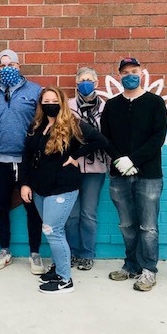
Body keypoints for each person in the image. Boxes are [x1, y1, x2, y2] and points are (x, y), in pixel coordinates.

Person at [20, 87, 107, 294]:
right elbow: (26, 156)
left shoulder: (72, 124)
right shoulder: (36, 125)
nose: (50, 104)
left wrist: (76, 155)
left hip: (62, 188)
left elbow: (100, 141)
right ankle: (58, 268)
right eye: (46, 100)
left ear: (61, 102)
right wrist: (24, 183)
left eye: (54, 100)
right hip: (40, 189)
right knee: (50, 231)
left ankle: (65, 279)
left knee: (53, 230)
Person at [101, 57, 167, 292]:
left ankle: (149, 270)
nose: (130, 75)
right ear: (119, 75)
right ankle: (131, 266)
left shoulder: (155, 102)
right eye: (125, 72)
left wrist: (134, 159)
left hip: (148, 175)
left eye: (134, 71)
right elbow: (105, 137)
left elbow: (157, 138)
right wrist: (120, 160)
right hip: (119, 175)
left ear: (141, 73)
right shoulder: (112, 105)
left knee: (148, 227)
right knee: (127, 225)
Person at [0, 49, 45, 274]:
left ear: (19, 66)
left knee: (33, 208)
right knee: (0, 207)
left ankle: (35, 253)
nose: (7, 69)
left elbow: (43, 122)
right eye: (2, 65)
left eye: (11, 64)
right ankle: (4, 250)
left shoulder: (35, 91)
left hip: (27, 161)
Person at [65, 67, 108, 271]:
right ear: (76, 83)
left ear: (96, 83)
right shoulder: (68, 106)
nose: (85, 83)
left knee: (88, 214)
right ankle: (72, 252)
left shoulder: (106, 108)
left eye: (89, 79)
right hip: (71, 168)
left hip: (95, 167)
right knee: (71, 215)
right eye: (82, 79)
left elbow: (105, 139)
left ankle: (87, 254)